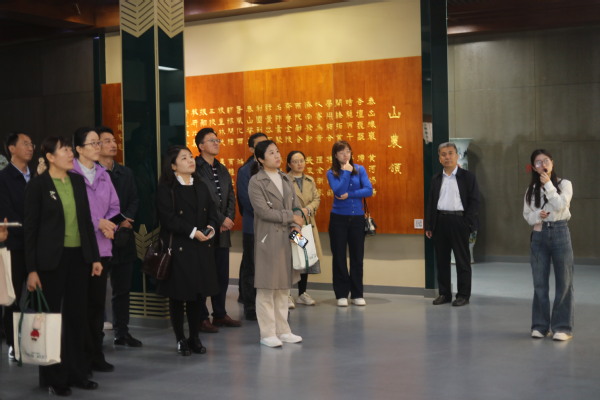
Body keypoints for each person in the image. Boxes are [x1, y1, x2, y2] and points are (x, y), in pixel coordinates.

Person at [24, 136, 103, 396]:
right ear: (50, 156)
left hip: (78, 258)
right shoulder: (38, 186)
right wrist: (31, 269)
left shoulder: (77, 182)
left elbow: (86, 222)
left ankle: (77, 372)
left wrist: (94, 257)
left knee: (77, 317)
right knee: (51, 319)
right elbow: (31, 230)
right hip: (50, 262)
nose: (70, 154)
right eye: (65, 150)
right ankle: (54, 376)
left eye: (70, 149)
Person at [156, 145, 220, 356]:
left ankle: (194, 337)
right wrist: (193, 232)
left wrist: (211, 227)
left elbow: (212, 212)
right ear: (173, 165)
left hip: (201, 247)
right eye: (184, 158)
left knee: (197, 296)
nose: (191, 160)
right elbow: (168, 218)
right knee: (178, 297)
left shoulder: (200, 185)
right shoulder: (167, 188)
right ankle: (180, 339)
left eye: (191, 157)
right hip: (179, 248)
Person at [71, 127, 121, 372]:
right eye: (92, 143)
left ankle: (96, 354)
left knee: (96, 305)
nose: (97, 147)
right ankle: (80, 356)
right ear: (79, 149)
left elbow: (115, 206)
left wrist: (110, 224)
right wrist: (97, 222)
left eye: (97, 143)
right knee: (79, 305)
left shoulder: (103, 174)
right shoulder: (70, 173)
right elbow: (72, 211)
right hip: (79, 247)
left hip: (102, 246)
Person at [248, 140, 304, 347]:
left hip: (287, 237)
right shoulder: (256, 181)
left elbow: (296, 207)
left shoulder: (285, 178)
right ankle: (267, 333)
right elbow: (263, 211)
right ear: (260, 159)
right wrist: (291, 217)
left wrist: (297, 225)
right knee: (266, 288)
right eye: (271, 153)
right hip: (268, 238)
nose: (277, 156)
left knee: (283, 287)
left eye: (278, 151)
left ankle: (283, 330)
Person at [96, 126, 142, 347]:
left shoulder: (125, 172)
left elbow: (134, 199)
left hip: (123, 237)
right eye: (107, 141)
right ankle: (95, 333)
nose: (113, 144)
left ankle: (121, 332)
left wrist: (126, 219)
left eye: (114, 140)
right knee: (97, 291)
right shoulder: (92, 174)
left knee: (122, 289)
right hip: (101, 236)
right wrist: (113, 222)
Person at [523, 149, 574, 341]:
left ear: (552, 163)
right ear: (533, 168)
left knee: (564, 281)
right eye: (538, 162)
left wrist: (549, 185)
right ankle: (540, 326)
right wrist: (538, 215)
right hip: (539, 235)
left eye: (546, 161)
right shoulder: (530, 190)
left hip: (560, 231)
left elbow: (561, 205)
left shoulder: (565, 184)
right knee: (539, 283)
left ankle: (562, 327)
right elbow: (527, 215)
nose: (543, 165)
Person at [194, 128, 241, 333]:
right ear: (201, 145)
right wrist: (220, 219)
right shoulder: (196, 168)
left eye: (217, 140)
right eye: (212, 140)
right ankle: (202, 317)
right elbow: (202, 198)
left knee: (222, 274)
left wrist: (229, 218)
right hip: (206, 228)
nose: (216, 143)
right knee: (204, 274)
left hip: (223, 231)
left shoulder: (221, 168)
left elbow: (230, 195)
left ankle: (220, 314)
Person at [425, 142, 480, 307]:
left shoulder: (468, 177)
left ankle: (463, 295)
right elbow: (431, 203)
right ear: (439, 158)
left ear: (457, 156)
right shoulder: (436, 178)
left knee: (462, 261)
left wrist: (467, 223)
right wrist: (429, 225)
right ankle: (444, 294)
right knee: (442, 261)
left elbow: (474, 202)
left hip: (459, 221)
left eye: (450, 153)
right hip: (440, 221)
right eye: (443, 154)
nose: (447, 157)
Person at [0, 132, 34, 361]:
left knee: (38, 295)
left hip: (38, 247)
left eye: (31, 144)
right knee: (13, 297)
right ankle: (14, 342)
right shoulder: (3, 178)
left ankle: (38, 340)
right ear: (11, 149)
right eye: (25, 144)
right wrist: (30, 229)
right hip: (15, 245)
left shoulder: (39, 176)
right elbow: (6, 213)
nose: (30, 147)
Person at [327, 141, 373, 307]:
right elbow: (339, 191)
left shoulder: (360, 169)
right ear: (335, 155)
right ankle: (341, 294)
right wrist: (346, 172)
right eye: (341, 152)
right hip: (338, 219)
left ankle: (357, 294)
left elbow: (369, 190)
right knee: (339, 257)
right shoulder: (331, 172)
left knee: (357, 257)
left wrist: (350, 194)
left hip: (357, 218)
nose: (345, 155)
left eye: (348, 151)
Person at [236, 132, 268, 320]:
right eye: (260, 144)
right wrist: (269, 212)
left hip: (272, 228)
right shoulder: (245, 171)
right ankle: (250, 306)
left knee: (269, 267)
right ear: (251, 149)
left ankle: (267, 304)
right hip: (253, 227)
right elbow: (246, 200)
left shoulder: (273, 170)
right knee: (251, 267)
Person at [286, 150, 322, 307]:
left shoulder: (310, 180)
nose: (299, 164)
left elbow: (316, 198)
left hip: (307, 226)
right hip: (293, 226)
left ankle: (302, 293)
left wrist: (308, 209)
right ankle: (287, 294)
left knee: (304, 257)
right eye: (295, 161)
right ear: (289, 164)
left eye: (301, 160)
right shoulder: (285, 180)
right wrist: (297, 213)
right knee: (291, 258)